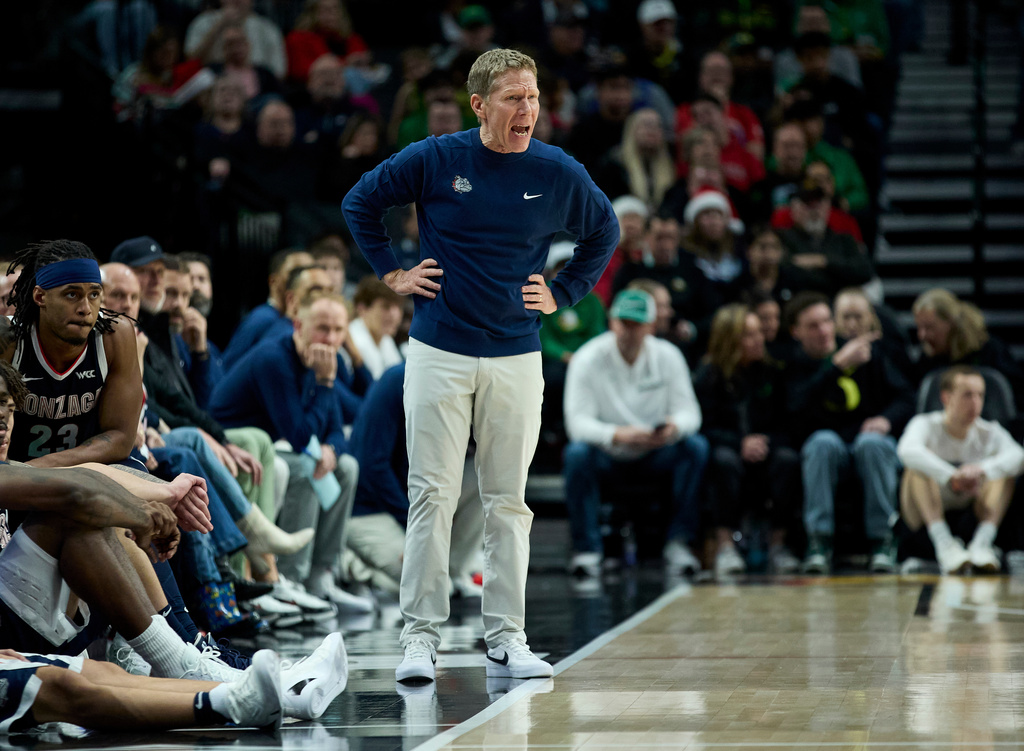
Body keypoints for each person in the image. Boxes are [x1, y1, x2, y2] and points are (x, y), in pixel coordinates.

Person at [342, 48, 618, 683]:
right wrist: (391, 273)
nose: (527, 109)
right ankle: (419, 639)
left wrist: (565, 290)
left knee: (507, 500)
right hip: (438, 349)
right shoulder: (437, 157)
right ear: (479, 105)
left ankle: (507, 637)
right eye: (513, 97)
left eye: (533, 96)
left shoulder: (557, 170)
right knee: (431, 494)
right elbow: (360, 201)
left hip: (517, 353)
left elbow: (603, 230)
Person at [209, 294, 371, 614]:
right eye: (322, 328)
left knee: (346, 466)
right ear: (298, 325)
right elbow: (298, 435)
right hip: (234, 445)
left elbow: (337, 429)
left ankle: (321, 575)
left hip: (271, 447)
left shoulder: (324, 360)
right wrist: (325, 383)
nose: (331, 339)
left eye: (338, 330)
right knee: (303, 468)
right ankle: (291, 578)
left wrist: (331, 449)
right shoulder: (275, 359)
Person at [563, 289, 708, 578]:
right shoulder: (587, 358)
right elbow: (576, 424)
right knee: (576, 454)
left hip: (655, 451)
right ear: (612, 322)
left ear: (651, 326)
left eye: (636, 324)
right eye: (623, 322)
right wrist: (617, 435)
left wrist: (672, 428)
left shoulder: (668, 356)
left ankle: (679, 543)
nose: (628, 331)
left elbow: (690, 414)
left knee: (695, 447)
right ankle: (587, 549)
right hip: (607, 454)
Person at [785, 291, 915, 575]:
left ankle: (883, 540)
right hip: (829, 448)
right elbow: (794, 410)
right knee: (822, 442)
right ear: (796, 332)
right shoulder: (794, 363)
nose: (824, 330)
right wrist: (835, 367)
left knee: (872, 443)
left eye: (827, 322)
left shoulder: (866, 353)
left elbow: (906, 397)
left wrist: (885, 420)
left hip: (868, 444)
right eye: (813, 326)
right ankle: (819, 542)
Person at [347, 362, 484, 597]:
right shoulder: (396, 381)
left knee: (484, 472)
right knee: (433, 586)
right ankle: (356, 570)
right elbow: (372, 467)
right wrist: (418, 529)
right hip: (370, 511)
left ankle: (454, 569)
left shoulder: (464, 385)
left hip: (413, 507)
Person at [1, 240, 142, 467]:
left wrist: (40, 469)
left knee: (148, 481)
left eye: (94, 295)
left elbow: (120, 438)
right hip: (15, 468)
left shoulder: (114, 336)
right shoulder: (9, 340)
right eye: (71, 295)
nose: (85, 308)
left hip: (89, 465)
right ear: (40, 297)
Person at [694, 305, 802, 577]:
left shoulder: (772, 371)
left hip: (767, 447)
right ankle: (725, 545)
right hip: (729, 447)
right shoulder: (709, 375)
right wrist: (739, 443)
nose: (758, 340)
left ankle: (778, 545)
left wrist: (764, 442)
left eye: (758, 333)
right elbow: (704, 425)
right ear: (730, 340)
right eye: (749, 335)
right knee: (723, 461)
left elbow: (788, 421)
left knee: (787, 460)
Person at [897, 366, 1024, 574]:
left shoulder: (989, 431)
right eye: (967, 395)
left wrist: (981, 470)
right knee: (915, 469)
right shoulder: (925, 424)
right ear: (946, 397)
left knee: (1005, 472)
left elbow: (1018, 457)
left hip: (973, 509)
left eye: (980, 395)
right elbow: (906, 450)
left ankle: (982, 543)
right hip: (925, 515)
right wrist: (951, 476)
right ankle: (944, 545)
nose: (975, 402)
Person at [911, 288, 1024, 414]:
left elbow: (1016, 395)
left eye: (929, 327)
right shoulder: (926, 358)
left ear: (951, 322)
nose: (922, 335)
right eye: (919, 327)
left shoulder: (990, 350)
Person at [184, 0, 286, 80]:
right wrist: (219, 26)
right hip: (212, 85)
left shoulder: (268, 29)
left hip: (258, 89)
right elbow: (191, 59)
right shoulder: (203, 22)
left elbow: (279, 72)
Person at [348, 276, 404, 380]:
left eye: (398, 307)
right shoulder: (356, 341)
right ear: (362, 309)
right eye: (386, 306)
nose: (395, 315)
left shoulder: (385, 339)